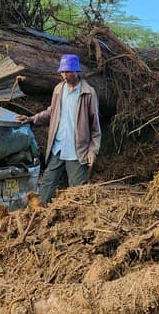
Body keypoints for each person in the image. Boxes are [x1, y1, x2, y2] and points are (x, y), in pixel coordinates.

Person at [16, 54, 101, 204]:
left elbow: (95, 128)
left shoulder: (88, 93)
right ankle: (38, 217)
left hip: (77, 151)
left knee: (78, 194)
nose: (65, 75)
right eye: (62, 72)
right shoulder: (58, 89)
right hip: (58, 147)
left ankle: (76, 224)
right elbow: (51, 112)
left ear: (76, 71)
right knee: (46, 186)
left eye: (68, 72)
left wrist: (92, 151)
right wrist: (31, 119)